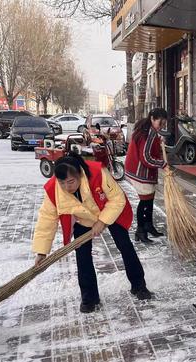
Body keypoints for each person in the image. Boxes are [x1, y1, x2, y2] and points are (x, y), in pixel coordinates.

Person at [32, 153, 151, 313]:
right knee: (83, 256)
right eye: (62, 183)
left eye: (71, 181)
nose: (67, 187)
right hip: (84, 219)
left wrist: (102, 222)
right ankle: (89, 297)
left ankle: (139, 286)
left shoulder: (98, 172)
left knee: (125, 246)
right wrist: (41, 251)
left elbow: (117, 199)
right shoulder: (53, 189)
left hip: (109, 211)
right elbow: (46, 219)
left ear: (79, 174)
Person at [125, 108, 168, 243]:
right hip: (140, 172)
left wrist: (158, 140)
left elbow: (148, 149)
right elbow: (146, 157)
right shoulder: (148, 132)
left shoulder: (147, 129)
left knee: (149, 200)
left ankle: (148, 226)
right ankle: (140, 231)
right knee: (145, 201)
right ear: (152, 119)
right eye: (160, 123)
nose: (161, 126)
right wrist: (163, 164)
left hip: (140, 170)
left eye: (163, 124)